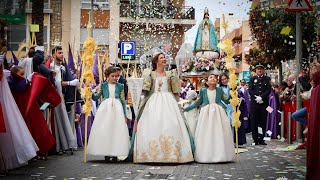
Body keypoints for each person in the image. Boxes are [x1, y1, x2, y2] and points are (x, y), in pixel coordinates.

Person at [133, 52, 193, 163]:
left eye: (164, 57)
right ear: (156, 61)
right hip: (152, 102)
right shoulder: (149, 74)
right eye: (161, 58)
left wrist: (178, 105)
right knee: (151, 124)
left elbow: (176, 91)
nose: (164, 59)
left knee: (172, 124)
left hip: (169, 102)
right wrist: (136, 88)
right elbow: (145, 90)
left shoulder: (171, 74)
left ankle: (174, 155)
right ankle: (151, 154)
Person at [183, 74, 235, 163]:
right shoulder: (203, 91)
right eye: (210, 77)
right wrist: (186, 109)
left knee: (219, 132)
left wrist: (232, 93)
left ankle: (221, 154)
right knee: (206, 132)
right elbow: (197, 102)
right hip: (206, 114)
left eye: (215, 78)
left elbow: (226, 100)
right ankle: (206, 154)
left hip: (219, 114)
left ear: (217, 81)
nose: (213, 78)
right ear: (207, 82)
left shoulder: (220, 90)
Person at [0, 63, 39, 170]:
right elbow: (20, 88)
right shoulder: (13, 80)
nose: (23, 76)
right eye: (21, 74)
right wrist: (26, 81)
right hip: (16, 107)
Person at [87, 67, 130, 162]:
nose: (115, 78)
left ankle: (115, 153)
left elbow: (122, 101)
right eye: (112, 76)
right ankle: (106, 152)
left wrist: (124, 115)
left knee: (116, 130)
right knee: (106, 129)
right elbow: (96, 97)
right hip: (105, 110)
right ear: (107, 76)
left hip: (117, 110)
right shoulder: (103, 85)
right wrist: (89, 93)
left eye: (116, 76)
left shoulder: (120, 86)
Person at [50, 46, 79, 154]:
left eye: (62, 52)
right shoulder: (52, 68)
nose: (62, 55)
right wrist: (69, 83)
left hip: (65, 96)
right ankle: (59, 146)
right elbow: (56, 83)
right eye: (59, 53)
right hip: (57, 98)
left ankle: (65, 144)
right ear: (53, 55)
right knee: (59, 121)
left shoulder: (62, 67)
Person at [248, 63, 271, 145]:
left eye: (261, 69)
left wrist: (261, 97)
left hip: (263, 104)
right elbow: (250, 90)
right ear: (256, 70)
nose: (259, 70)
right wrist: (256, 98)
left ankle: (261, 139)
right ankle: (255, 139)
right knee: (254, 121)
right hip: (254, 104)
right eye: (258, 69)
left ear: (263, 70)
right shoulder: (252, 79)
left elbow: (268, 90)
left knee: (262, 121)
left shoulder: (267, 79)